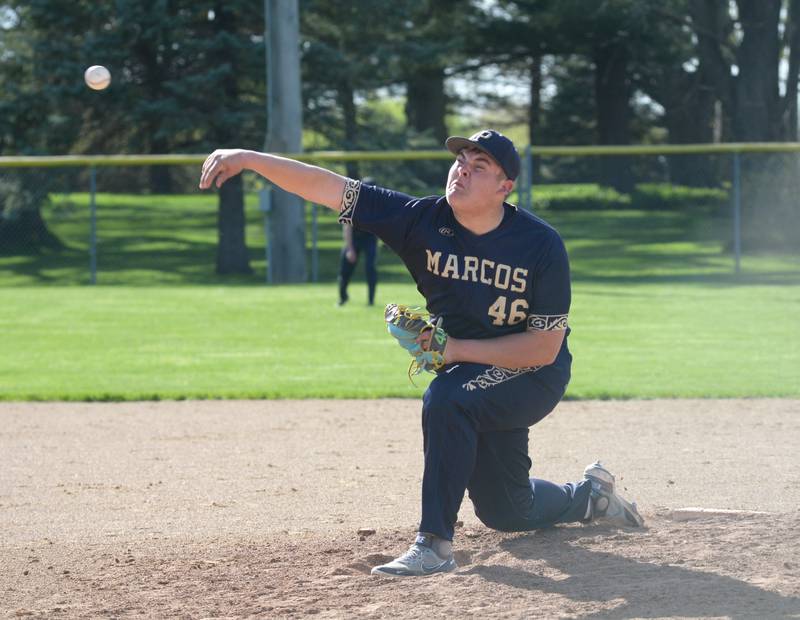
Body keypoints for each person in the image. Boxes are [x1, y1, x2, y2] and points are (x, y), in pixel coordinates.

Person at [199, 129, 644, 578]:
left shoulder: (541, 244)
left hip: (532, 374)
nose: (463, 170)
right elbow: (328, 186)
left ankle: (433, 543)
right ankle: (590, 496)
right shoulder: (420, 220)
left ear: (504, 187)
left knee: (447, 399)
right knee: (507, 510)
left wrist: (455, 349)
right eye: (461, 161)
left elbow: (545, 348)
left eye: (479, 166)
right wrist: (250, 158)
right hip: (472, 372)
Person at [338, 177, 378, 306]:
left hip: (369, 238)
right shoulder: (352, 201)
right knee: (345, 270)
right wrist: (350, 248)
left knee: (370, 268)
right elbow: (347, 226)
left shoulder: (378, 204)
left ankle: (371, 301)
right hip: (354, 238)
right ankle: (342, 298)